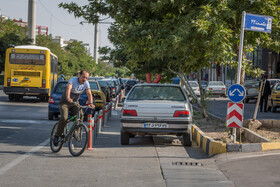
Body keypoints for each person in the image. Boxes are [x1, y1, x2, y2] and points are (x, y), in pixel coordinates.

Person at [53, 70, 95, 145]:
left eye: (86, 78)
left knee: (81, 115)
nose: (84, 79)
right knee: (64, 118)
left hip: (74, 103)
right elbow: (68, 88)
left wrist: (91, 103)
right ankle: (57, 135)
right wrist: (68, 97)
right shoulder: (73, 80)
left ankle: (76, 132)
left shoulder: (86, 83)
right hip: (65, 102)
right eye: (83, 77)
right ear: (79, 75)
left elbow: (89, 93)